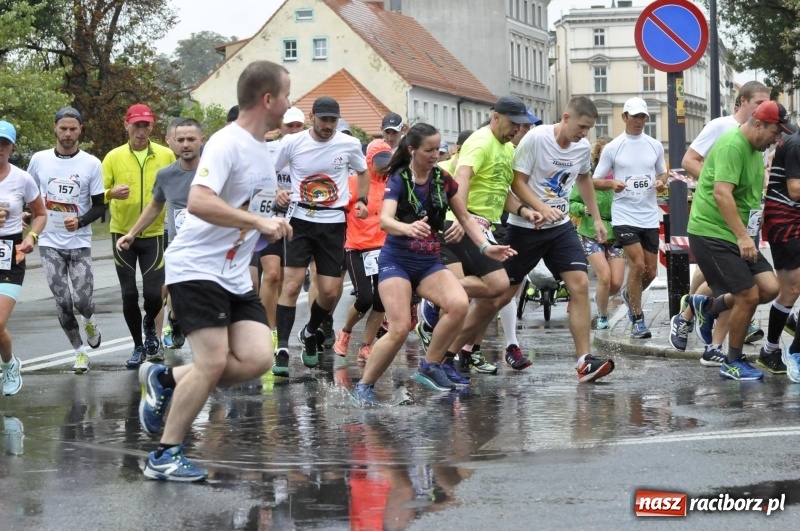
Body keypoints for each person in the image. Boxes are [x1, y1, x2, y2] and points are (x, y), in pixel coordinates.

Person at [137, 60, 292, 481]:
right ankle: (164, 455)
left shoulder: (261, 149)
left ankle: (165, 378)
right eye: (286, 94)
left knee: (257, 358)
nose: (289, 102)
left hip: (233, 274)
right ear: (268, 99)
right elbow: (200, 201)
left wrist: (271, 218)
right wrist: (258, 221)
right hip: (197, 268)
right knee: (211, 362)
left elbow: (243, 207)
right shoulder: (227, 143)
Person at [351, 123, 515, 406]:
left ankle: (429, 365)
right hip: (397, 261)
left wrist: (485, 247)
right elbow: (385, 220)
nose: (435, 155)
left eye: (438, 149)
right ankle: (364, 386)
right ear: (412, 150)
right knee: (399, 328)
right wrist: (407, 228)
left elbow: (465, 217)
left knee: (458, 304)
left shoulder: (442, 179)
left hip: (428, 262)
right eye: (429, 150)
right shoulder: (399, 180)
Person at [462, 96, 615, 382]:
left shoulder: (582, 148)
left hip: (560, 227)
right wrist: (540, 208)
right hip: (524, 228)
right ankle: (463, 347)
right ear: (566, 118)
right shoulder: (536, 139)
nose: (584, 134)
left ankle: (584, 361)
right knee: (498, 296)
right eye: (581, 126)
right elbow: (517, 182)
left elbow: (583, 179)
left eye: (589, 129)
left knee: (580, 284)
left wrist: (596, 218)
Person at [416, 96, 537, 376]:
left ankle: (447, 357)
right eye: (514, 123)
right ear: (496, 117)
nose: (518, 129)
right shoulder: (481, 141)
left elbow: (500, 192)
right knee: (495, 285)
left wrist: (524, 210)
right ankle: (430, 293)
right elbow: (462, 178)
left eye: (522, 125)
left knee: (491, 300)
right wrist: (463, 218)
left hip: (483, 226)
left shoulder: (507, 149)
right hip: (460, 224)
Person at [669, 101, 789, 381]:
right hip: (713, 233)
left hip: (735, 234)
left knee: (770, 289)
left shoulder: (756, 149)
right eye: (775, 132)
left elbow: (747, 194)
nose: (777, 139)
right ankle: (732, 361)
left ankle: (706, 306)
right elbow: (721, 193)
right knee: (748, 296)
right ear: (758, 125)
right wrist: (743, 236)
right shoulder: (732, 145)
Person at [270, 97, 369, 377]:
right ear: (312, 116)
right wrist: (277, 190)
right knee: (291, 285)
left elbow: (363, 172)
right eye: (323, 119)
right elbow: (269, 170)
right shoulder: (292, 142)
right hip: (300, 219)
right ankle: (282, 348)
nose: (327, 125)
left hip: (333, 222)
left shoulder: (349, 144)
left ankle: (309, 331)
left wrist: (362, 200)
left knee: (329, 292)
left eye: (332, 120)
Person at [679, 81, 770, 359]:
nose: (763, 107)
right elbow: (689, 160)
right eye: (759, 102)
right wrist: (719, 184)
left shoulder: (762, 135)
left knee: (746, 287)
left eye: (767, 102)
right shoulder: (721, 127)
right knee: (732, 285)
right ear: (742, 102)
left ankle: (710, 336)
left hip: (743, 222)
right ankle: (693, 315)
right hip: (717, 222)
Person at [115, 118, 206, 351]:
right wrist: (132, 233)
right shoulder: (166, 175)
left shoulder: (214, 172)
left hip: (209, 248)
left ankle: (178, 321)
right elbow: (155, 206)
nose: (185, 144)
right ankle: (171, 320)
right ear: (173, 141)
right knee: (173, 292)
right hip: (179, 248)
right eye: (180, 139)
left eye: (191, 139)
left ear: (201, 140)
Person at [26, 107, 105, 374]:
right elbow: (28, 194)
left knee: (82, 301)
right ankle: (79, 351)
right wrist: (25, 214)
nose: (68, 134)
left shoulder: (91, 163)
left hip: (79, 242)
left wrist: (80, 221)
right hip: (49, 242)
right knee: (62, 301)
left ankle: (89, 320)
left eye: (73, 129)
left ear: (80, 129)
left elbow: (100, 205)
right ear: (55, 128)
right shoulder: (39, 159)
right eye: (63, 128)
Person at [102, 103, 175, 369]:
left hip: (153, 234)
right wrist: (110, 193)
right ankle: (137, 346)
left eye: (146, 125)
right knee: (128, 293)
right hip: (122, 234)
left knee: (154, 294)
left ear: (152, 126)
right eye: (136, 125)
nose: (141, 131)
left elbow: (179, 186)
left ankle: (150, 325)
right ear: (127, 125)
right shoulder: (113, 157)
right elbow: (96, 195)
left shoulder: (166, 155)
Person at [593, 98, 667, 339]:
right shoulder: (614, 147)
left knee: (651, 272)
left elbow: (663, 173)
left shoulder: (654, 145)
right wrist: (611, 183)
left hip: (648, 215)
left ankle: (629, 294)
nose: (639, 121)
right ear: (624, 117)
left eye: (643, 117)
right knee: (637, 265)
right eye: (635, 116)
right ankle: (637, 319)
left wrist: (660, 183)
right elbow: (595, 180)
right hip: (624, 214)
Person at [333, 140, 393, 361]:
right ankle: (345, 331)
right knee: (364, 298)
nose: (384, 167)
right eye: (379, 162)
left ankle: (366, 346)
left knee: (381, 300)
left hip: (383, 248)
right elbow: (336, 209)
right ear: (368, 160)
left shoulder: (392, 184)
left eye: (388, 161)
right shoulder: (354, 182)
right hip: (357, 248)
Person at [0, 121, 47, 395]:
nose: (0, 148)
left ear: (13, 147)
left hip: (10, 254)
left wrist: (32, 237)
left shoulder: (22, 179)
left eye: (4, 143)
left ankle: (9, 364)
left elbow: (40, 214)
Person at [754, 123, 800, 377]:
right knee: (791, 289)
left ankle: (775, 347)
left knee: (790, 290)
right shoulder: (796, 144)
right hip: (785, 223)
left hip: (791, 221)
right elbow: (795, 190)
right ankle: (780, 350)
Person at [259, 107, 305, 350]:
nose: (294, 130)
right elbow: (256, 179)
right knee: (272, 274)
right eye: (290, 126)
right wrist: (275, 191)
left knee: (287, 281)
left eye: (298, 125)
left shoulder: (311, 150)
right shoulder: (268, 149)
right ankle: (268, 332)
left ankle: (276, 326)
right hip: (270, 217)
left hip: (299, 221)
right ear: (281, 127)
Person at [569, 136, 625, 330]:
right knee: (605, 277)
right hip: (591, 231)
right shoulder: (588, 177)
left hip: (616, 231)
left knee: (616, 283)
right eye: (604, 152)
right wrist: (582, 209)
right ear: (597, 155)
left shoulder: (621, 176)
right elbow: (572, 202)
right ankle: (602, 315)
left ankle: (599, 296)